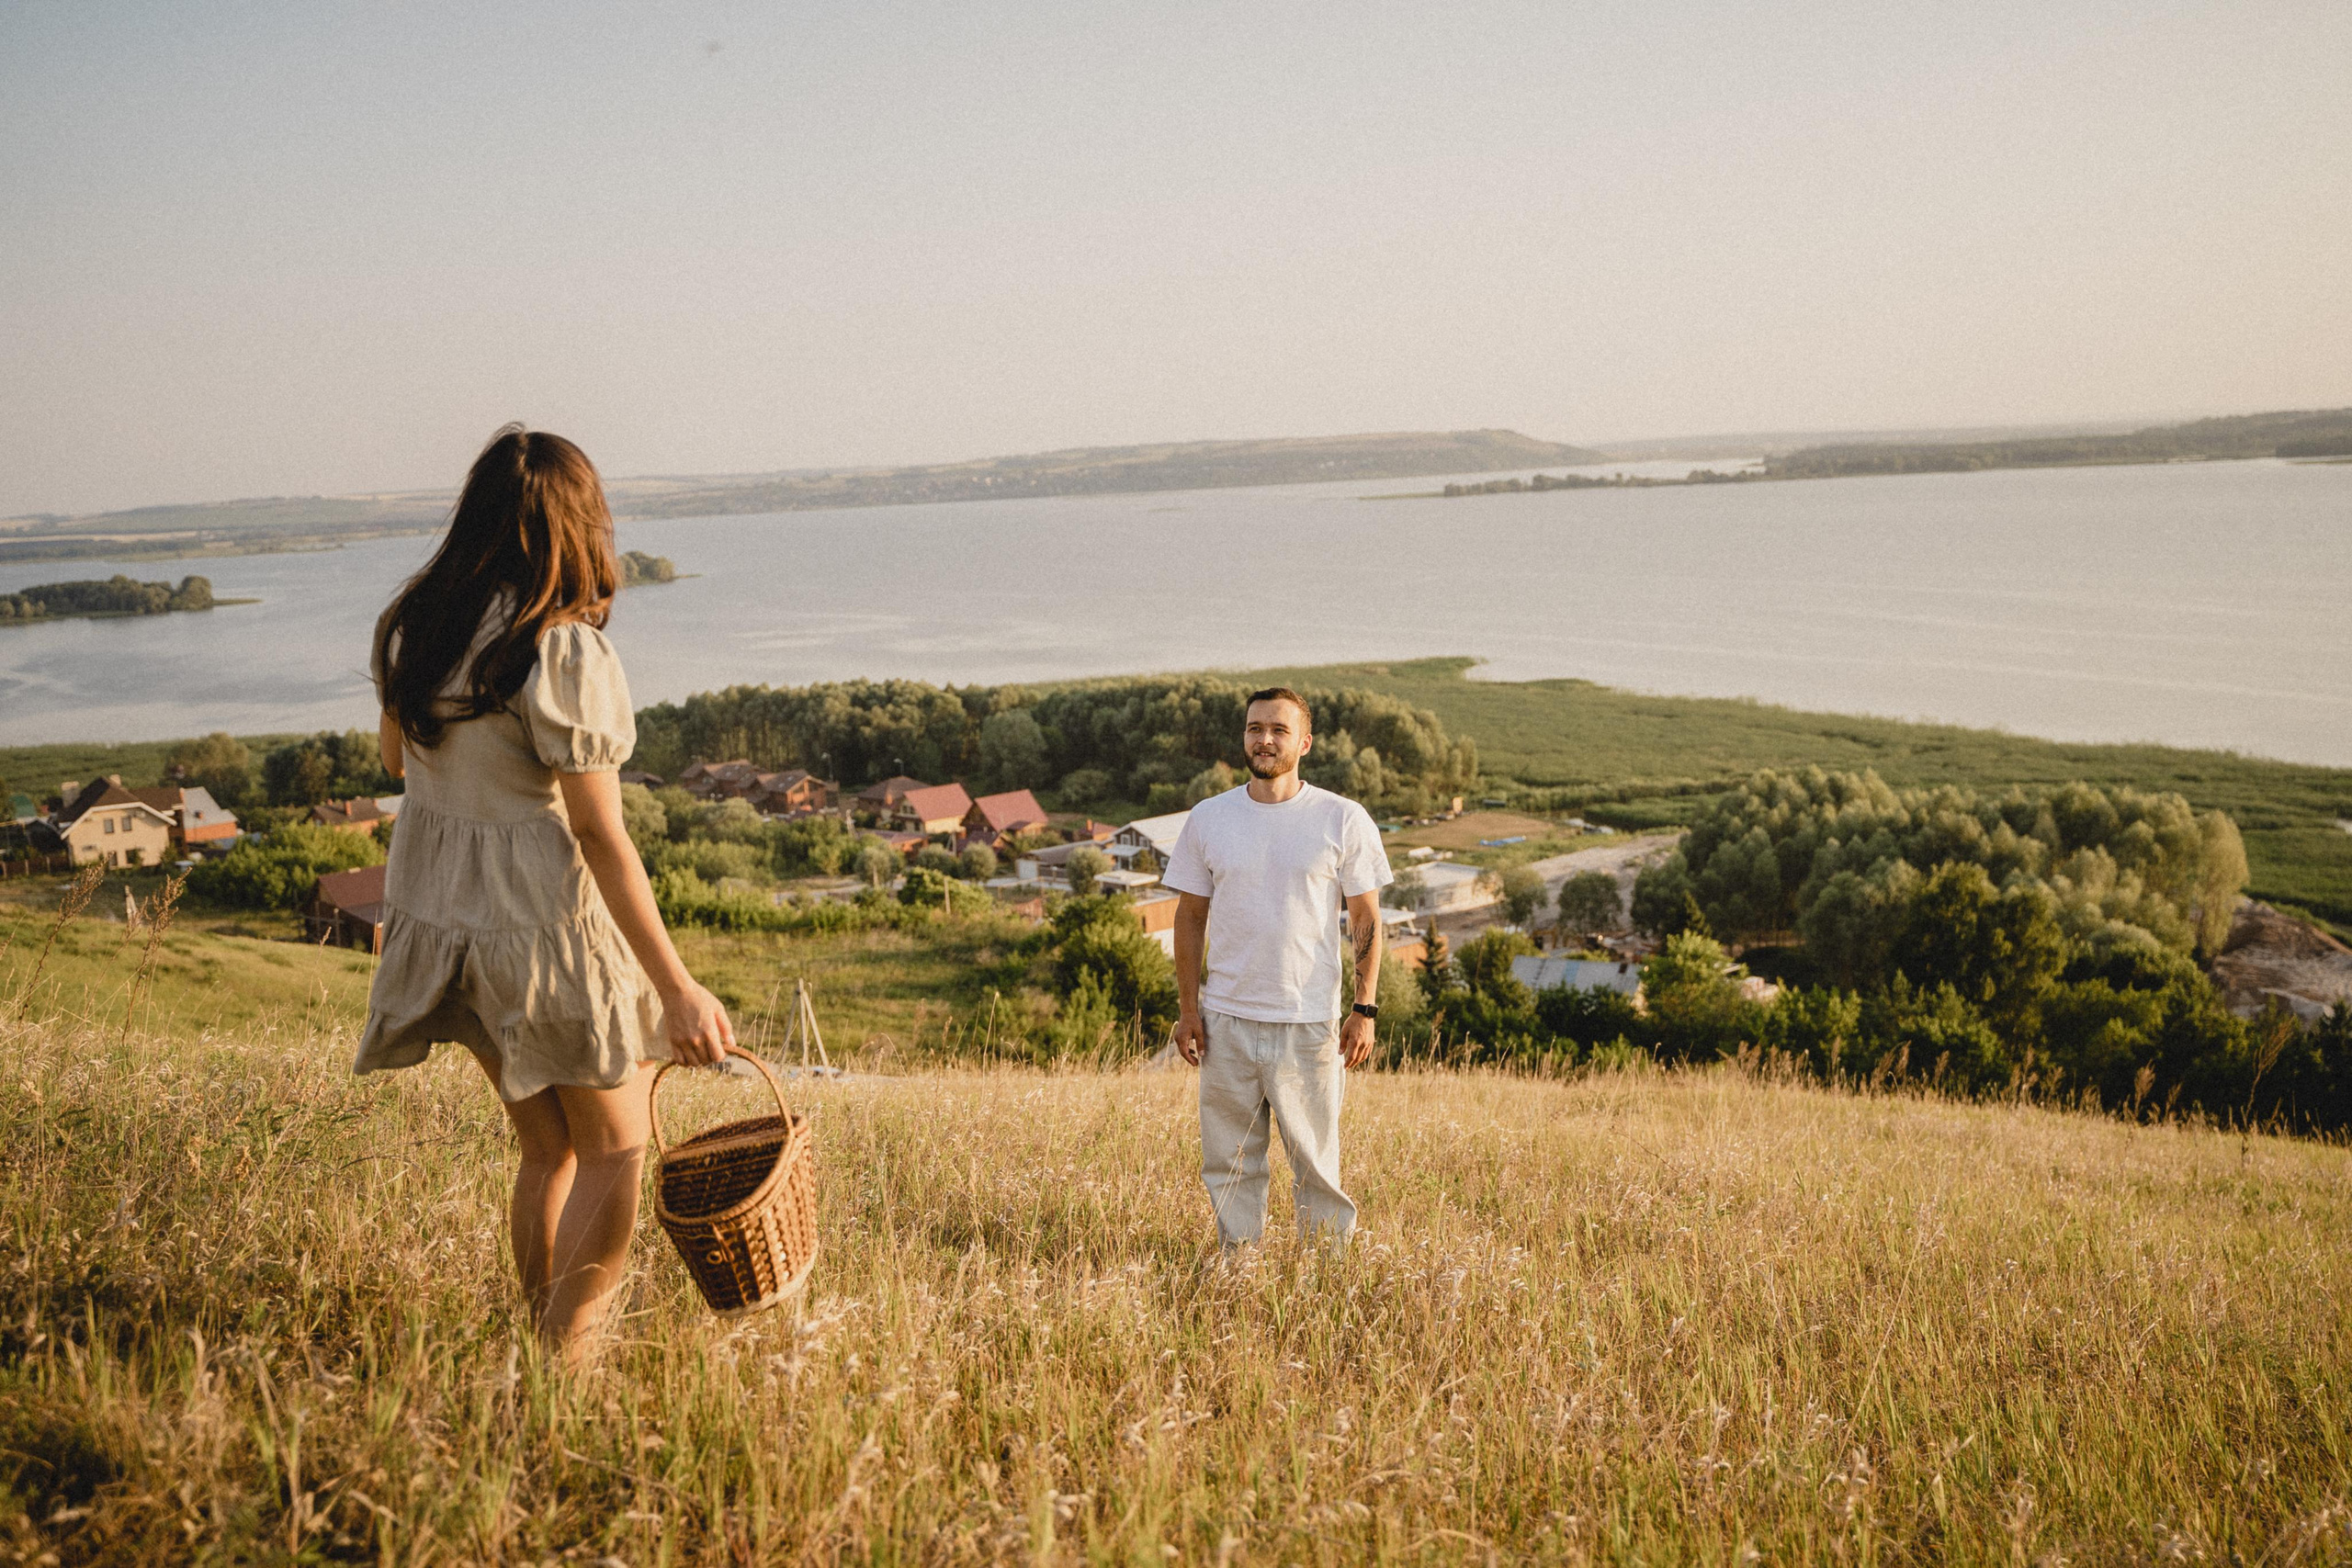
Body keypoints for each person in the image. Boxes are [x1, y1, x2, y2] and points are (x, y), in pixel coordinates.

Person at [357, 424, 735, 1363]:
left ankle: (538, 1344)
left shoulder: (416, 622)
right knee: (615, 1147)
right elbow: (602, 835)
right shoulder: (556, 648)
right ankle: (566, 1364)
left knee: (546, 1150)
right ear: (579, 526)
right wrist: (679, 986)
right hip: (542, 923)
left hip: (449, 920)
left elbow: (395, 759)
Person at [1164, 687, 1393, 1246]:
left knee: (1317, 1168)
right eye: (1254, 728)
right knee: (1230, 1165)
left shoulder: (1342, 818)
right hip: (1226, 1024)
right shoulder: (1209, 818)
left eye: (1279, 730)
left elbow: (1366, 919)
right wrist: (1189, 1011)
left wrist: (1364, 1008)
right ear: (1243, 736)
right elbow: (1190, 918)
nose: (1264, 739)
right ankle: (1237, 1275)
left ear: (1305, 743)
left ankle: (1325, 1285)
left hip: (1309, 1023)